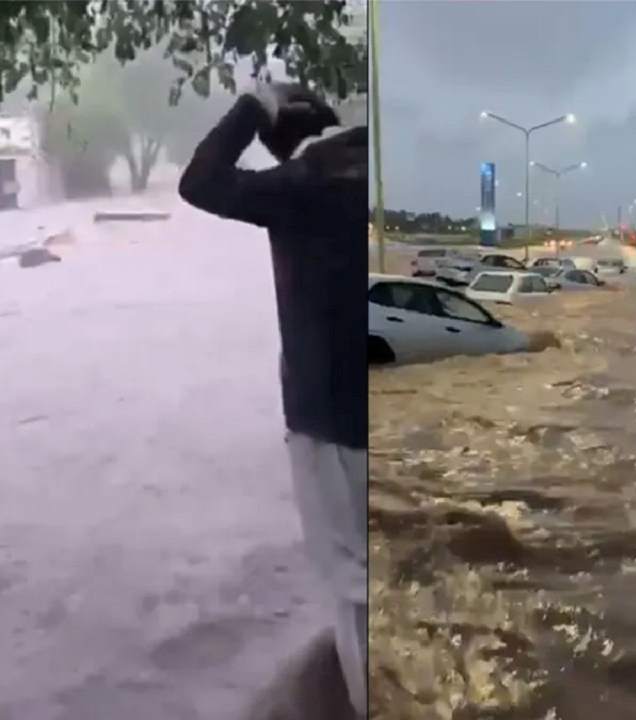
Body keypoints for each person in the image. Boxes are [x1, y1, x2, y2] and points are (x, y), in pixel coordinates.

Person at [178, 83, 368, 718]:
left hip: (329, 423)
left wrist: (251, 108)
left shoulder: (305, 185)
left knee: (353, 583)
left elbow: (200, 181)